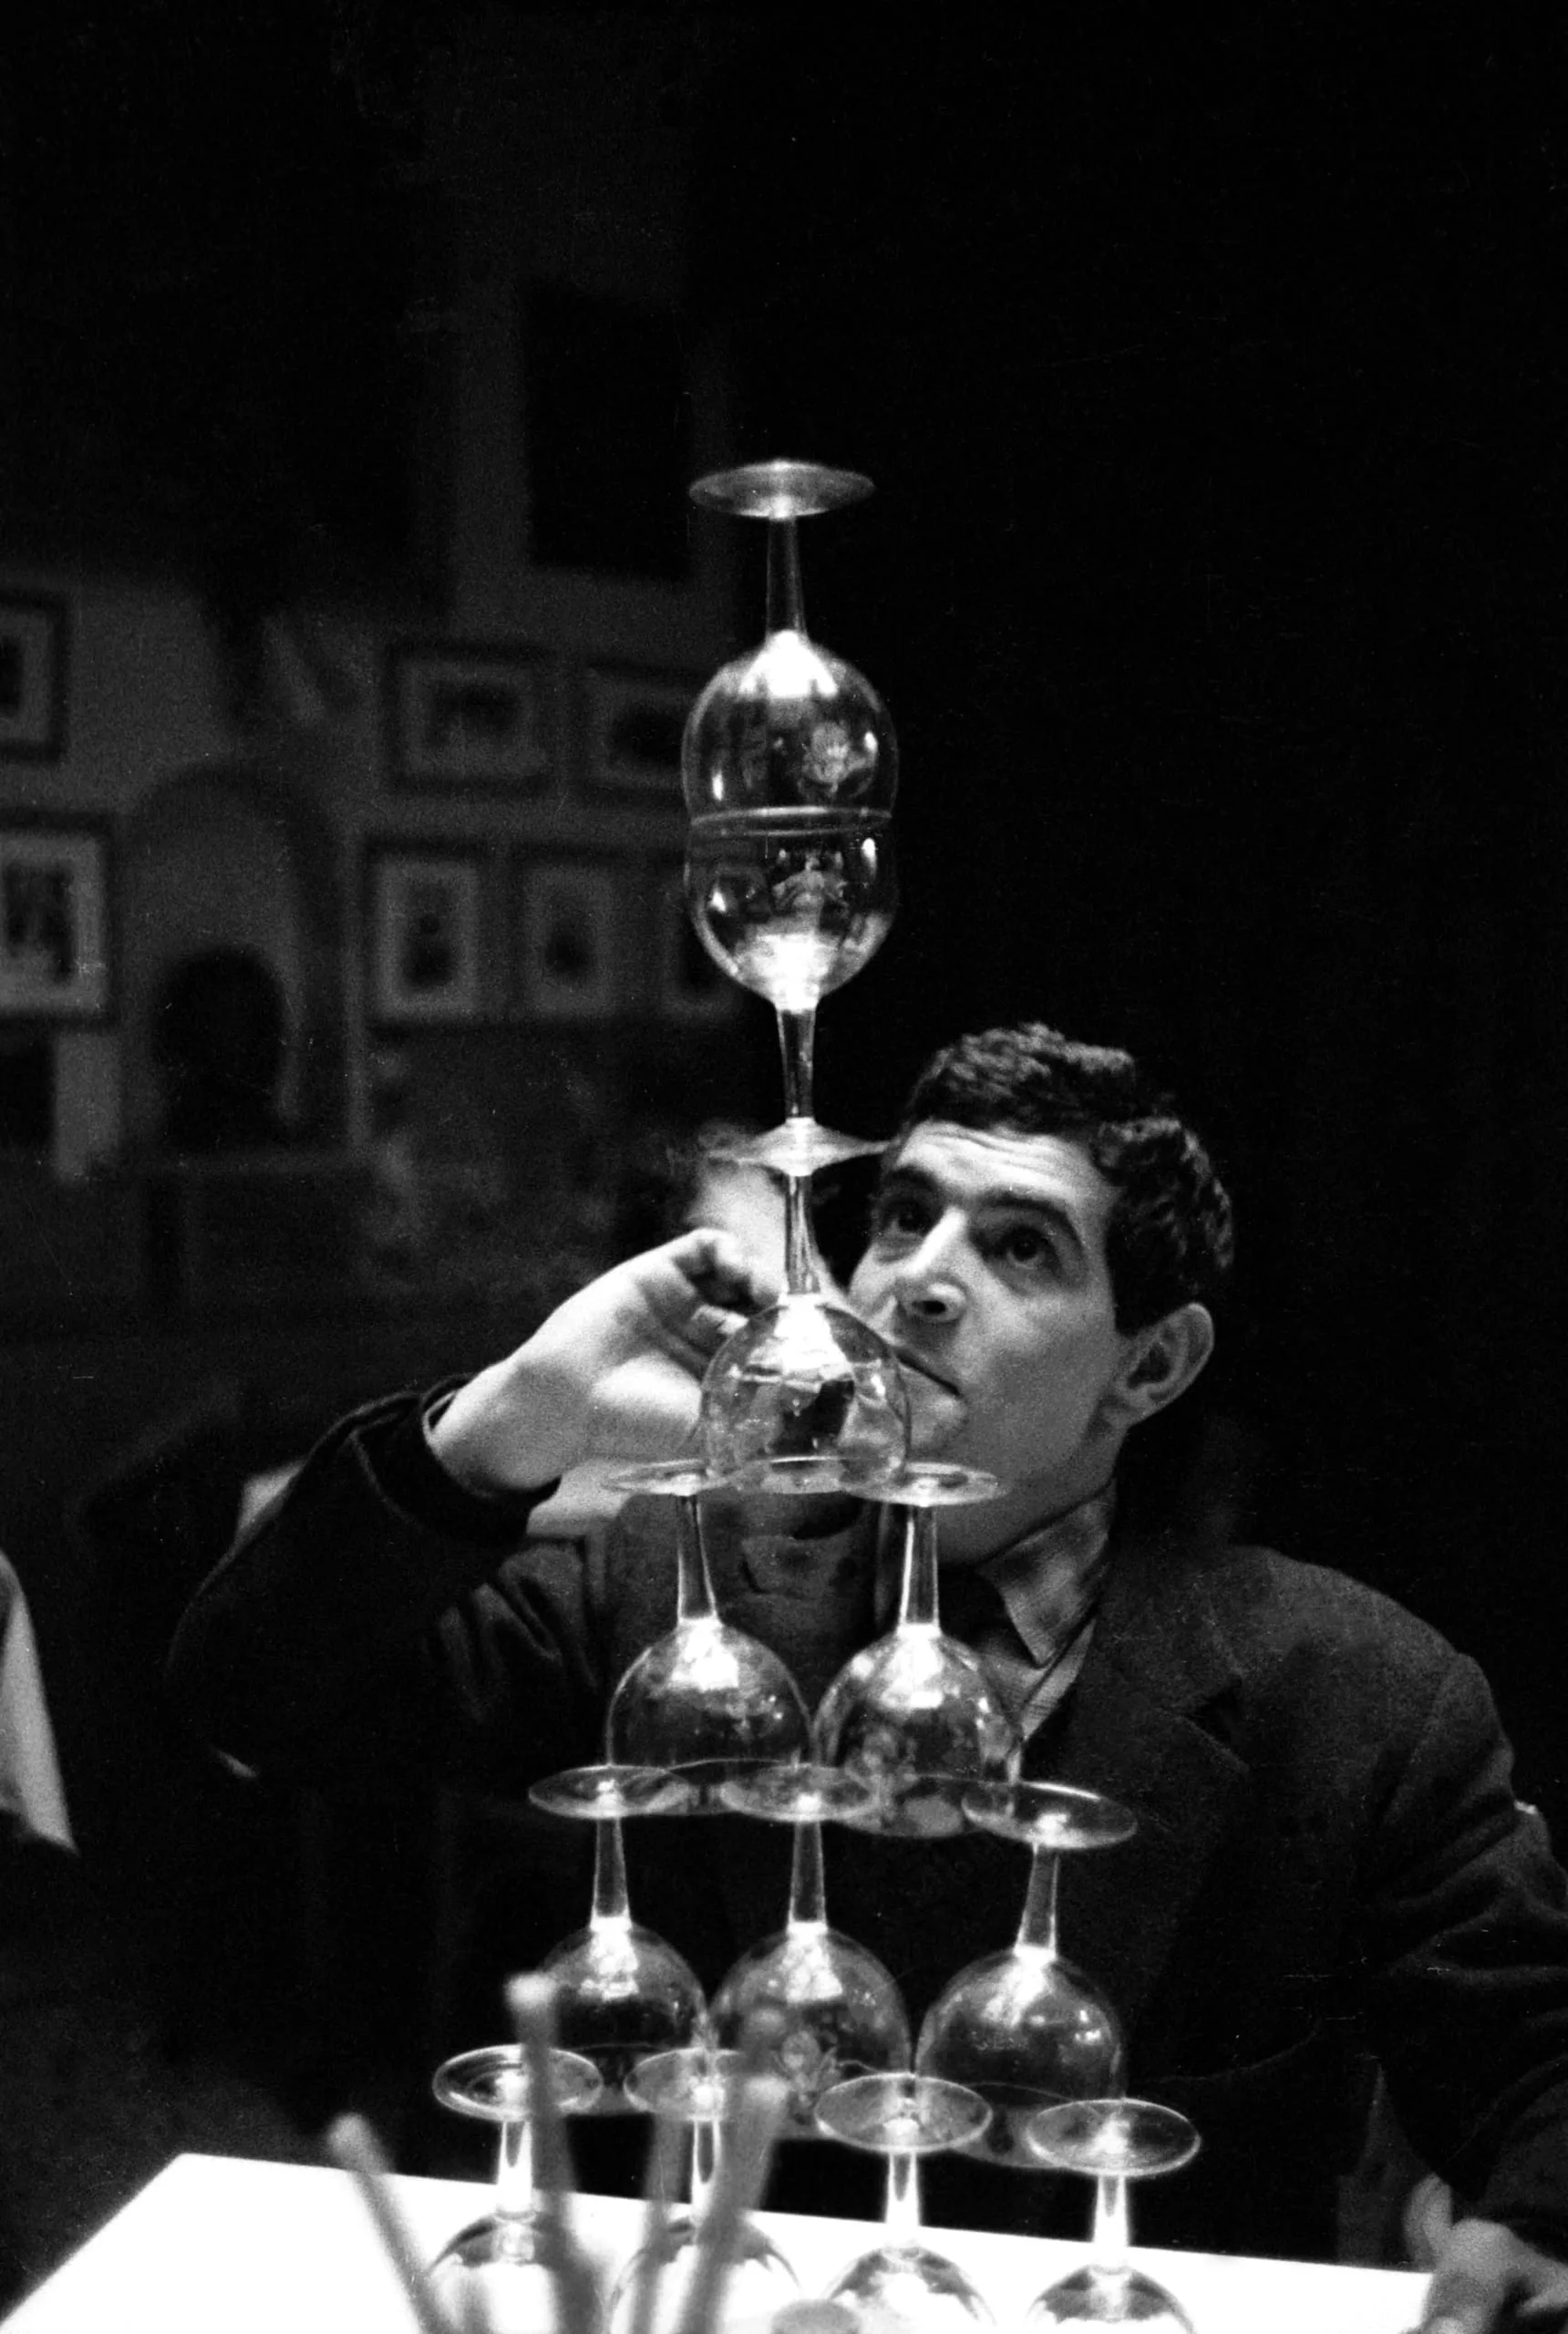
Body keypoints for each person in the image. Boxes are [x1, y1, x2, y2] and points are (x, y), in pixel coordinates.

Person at [169, 1022, 1568, 2333]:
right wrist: (515, 1416)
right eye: (903, 1216)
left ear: (1149, 1366)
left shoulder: (1354, 1694)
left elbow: (1540, 2069)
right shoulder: (669, 1584)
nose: (917, 1280)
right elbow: (254, 1693)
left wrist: (1535, 2222)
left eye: (1020, 1247)